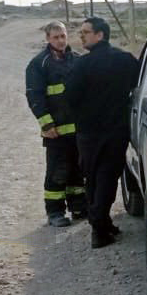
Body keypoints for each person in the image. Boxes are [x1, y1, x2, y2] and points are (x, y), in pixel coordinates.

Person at [65, 17, 141, 248]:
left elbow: (70, 97)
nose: (81, 36)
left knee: (93, 178)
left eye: (85, 32)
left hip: (89, 133)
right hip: (115, 131)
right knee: (108, 178)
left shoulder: (82, 65)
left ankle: (98, 227)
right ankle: (102, 224)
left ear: (100, 35)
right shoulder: (125, 60)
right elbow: (137, 85)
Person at [24, 21, 86, 227]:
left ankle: (79, 207)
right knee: (57, 172)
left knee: (78, 170)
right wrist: (47, 125)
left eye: (63, 36)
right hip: (55, 131)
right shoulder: (39, 64)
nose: (60, 41)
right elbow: (35, 97)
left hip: (77, 130)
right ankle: (55, 212)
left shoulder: (77, 60)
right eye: (56, 37)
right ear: (48, 39)